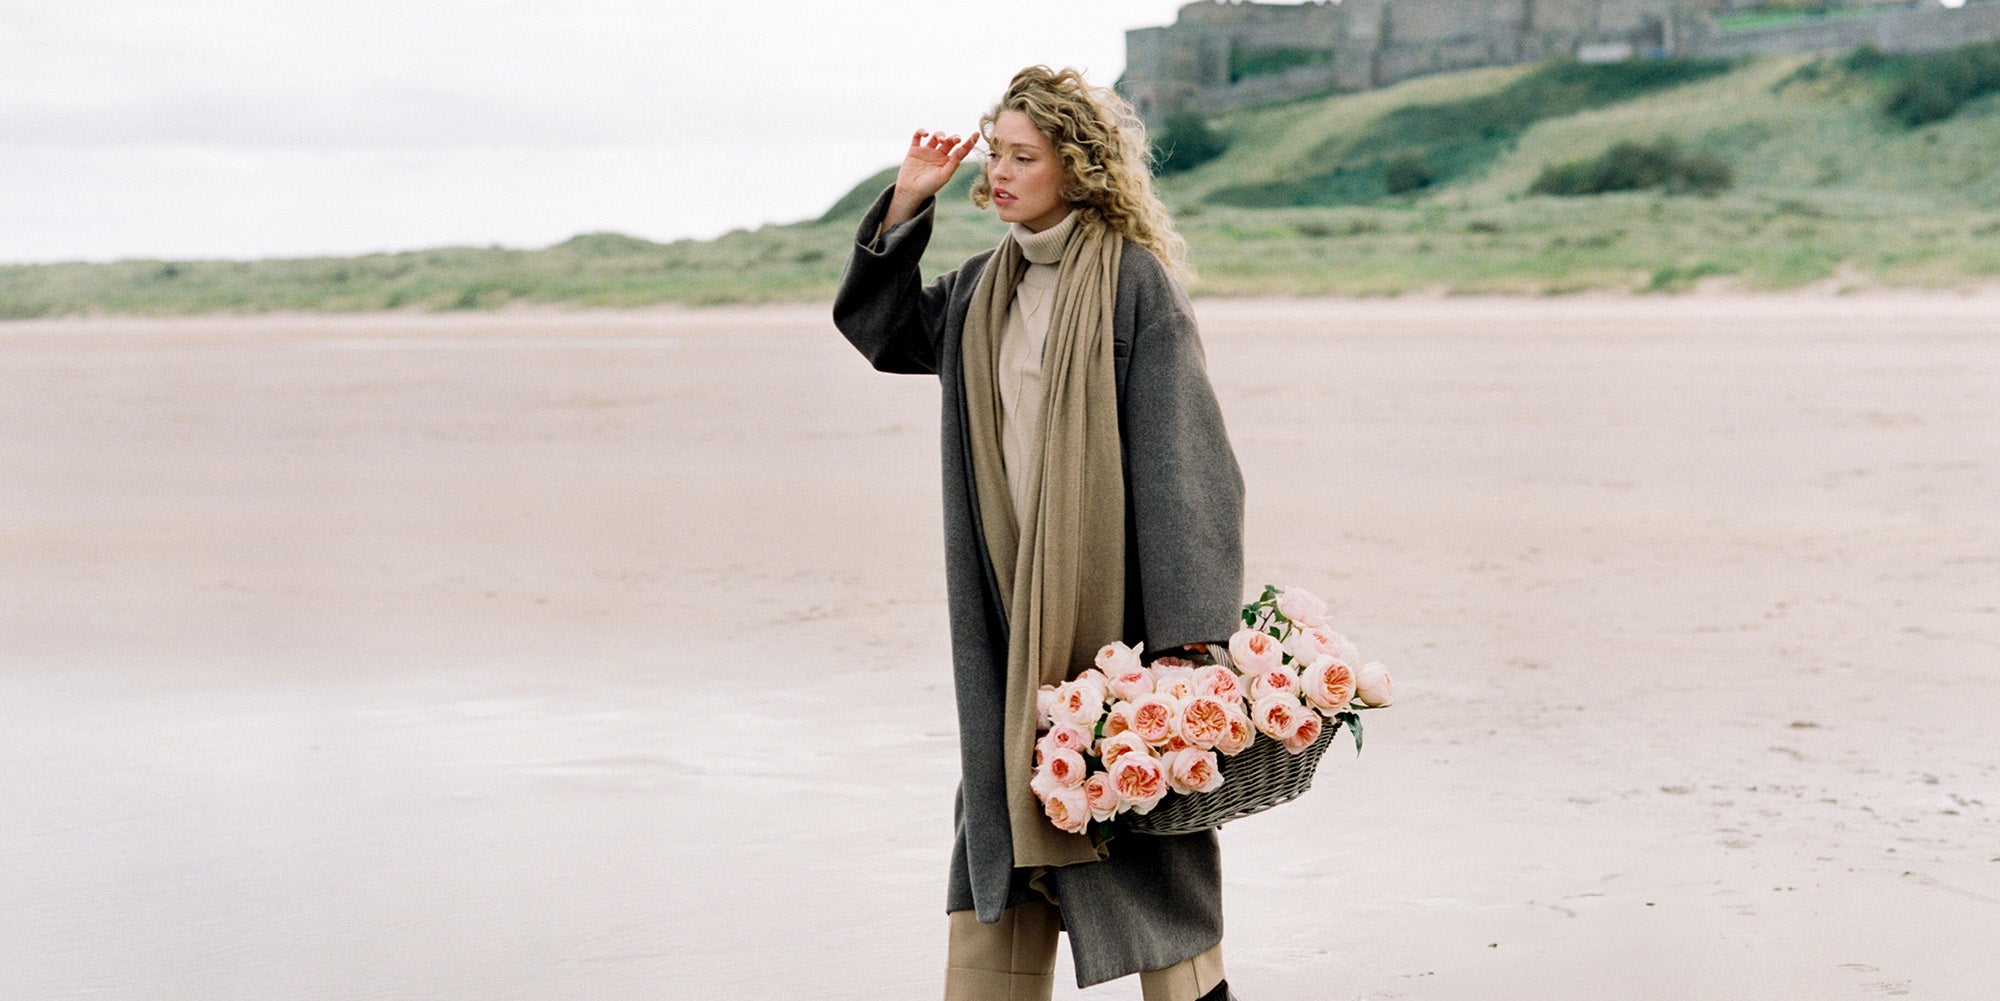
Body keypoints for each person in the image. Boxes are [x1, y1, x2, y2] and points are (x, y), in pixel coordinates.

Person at [832, 65, 1246, 1001]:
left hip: (1119, 618)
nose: (1003, 174)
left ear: (1079, 166)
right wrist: (905, 205)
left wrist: (1188, 640)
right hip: (1009, 611)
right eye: (998, 156)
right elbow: (884, 329)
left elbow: (1189, 465)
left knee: (1142, 822)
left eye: (1027, 157)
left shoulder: (1134, 285)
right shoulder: (981, 289)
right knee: (1003, 812)